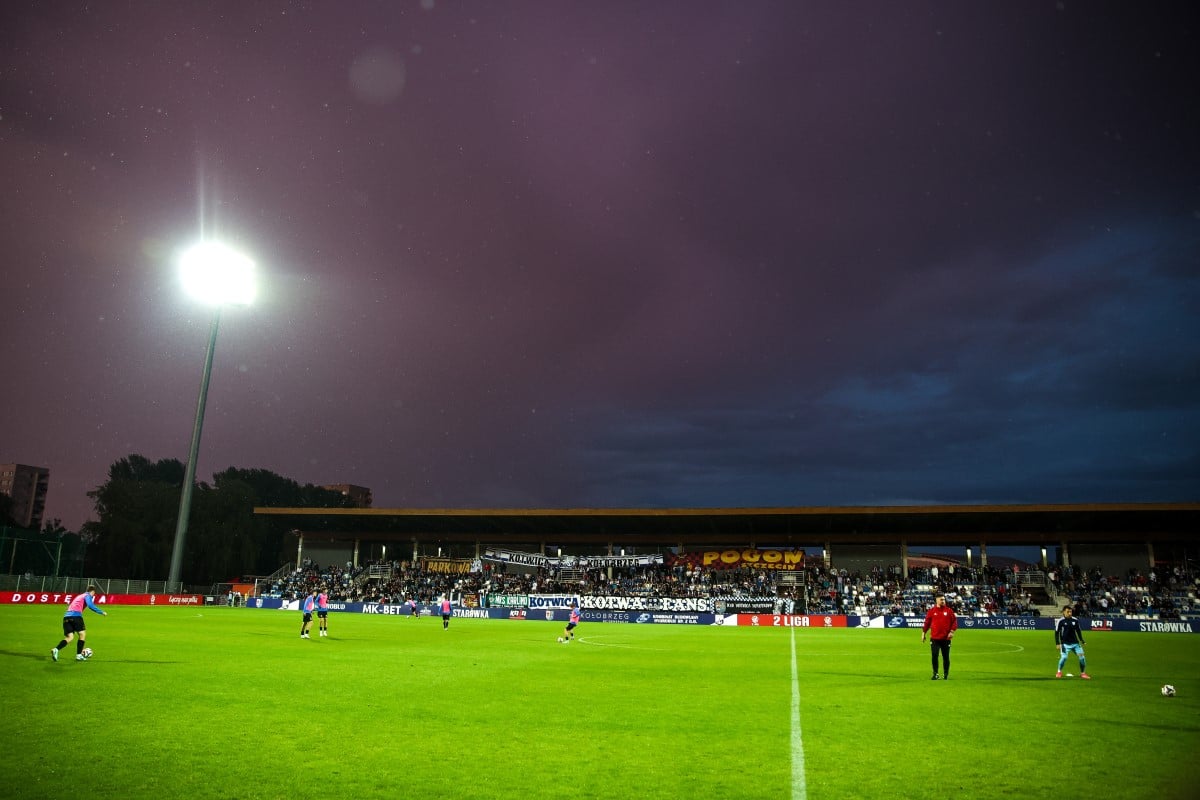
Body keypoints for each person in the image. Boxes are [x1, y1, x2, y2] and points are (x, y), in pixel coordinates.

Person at [52, 585, 108, 662]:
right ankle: (78, 655)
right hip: (76, 616)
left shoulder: (80, 596)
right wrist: (101, 612)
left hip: (66, 617)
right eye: (93, 594)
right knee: (82, 634)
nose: (93, 596)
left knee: (70, 637)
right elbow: (90, 605)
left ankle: (56, 649)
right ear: (93, 592)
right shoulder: (87, 595)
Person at [921, 593, 957, 680]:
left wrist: (952, 631)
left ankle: (946, 674)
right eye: (941, 599)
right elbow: (927, 623)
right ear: (936, 600)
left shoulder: (949, 611)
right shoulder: (932, 611)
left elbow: (954, 622)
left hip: (946, 639)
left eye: (944, 599)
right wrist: (923, 633)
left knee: (946, 657)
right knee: (934, 655)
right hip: (934, 639)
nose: (943, 601)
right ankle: (935, 674)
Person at [1055, 605, 1090, 679]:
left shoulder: (1075, 620)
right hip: (1065, 644)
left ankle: (1083, 673)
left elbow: (1078, 631)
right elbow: (1056, 632)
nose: (1070, 613)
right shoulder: (1060, 621)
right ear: (1064, 612)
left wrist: (1082, 640)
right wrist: (1057, 643)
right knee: (1064, 657)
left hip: (1076, 644)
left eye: (1070, 612)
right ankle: (1059, 672)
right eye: (1068, 612)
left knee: (1082, 658)